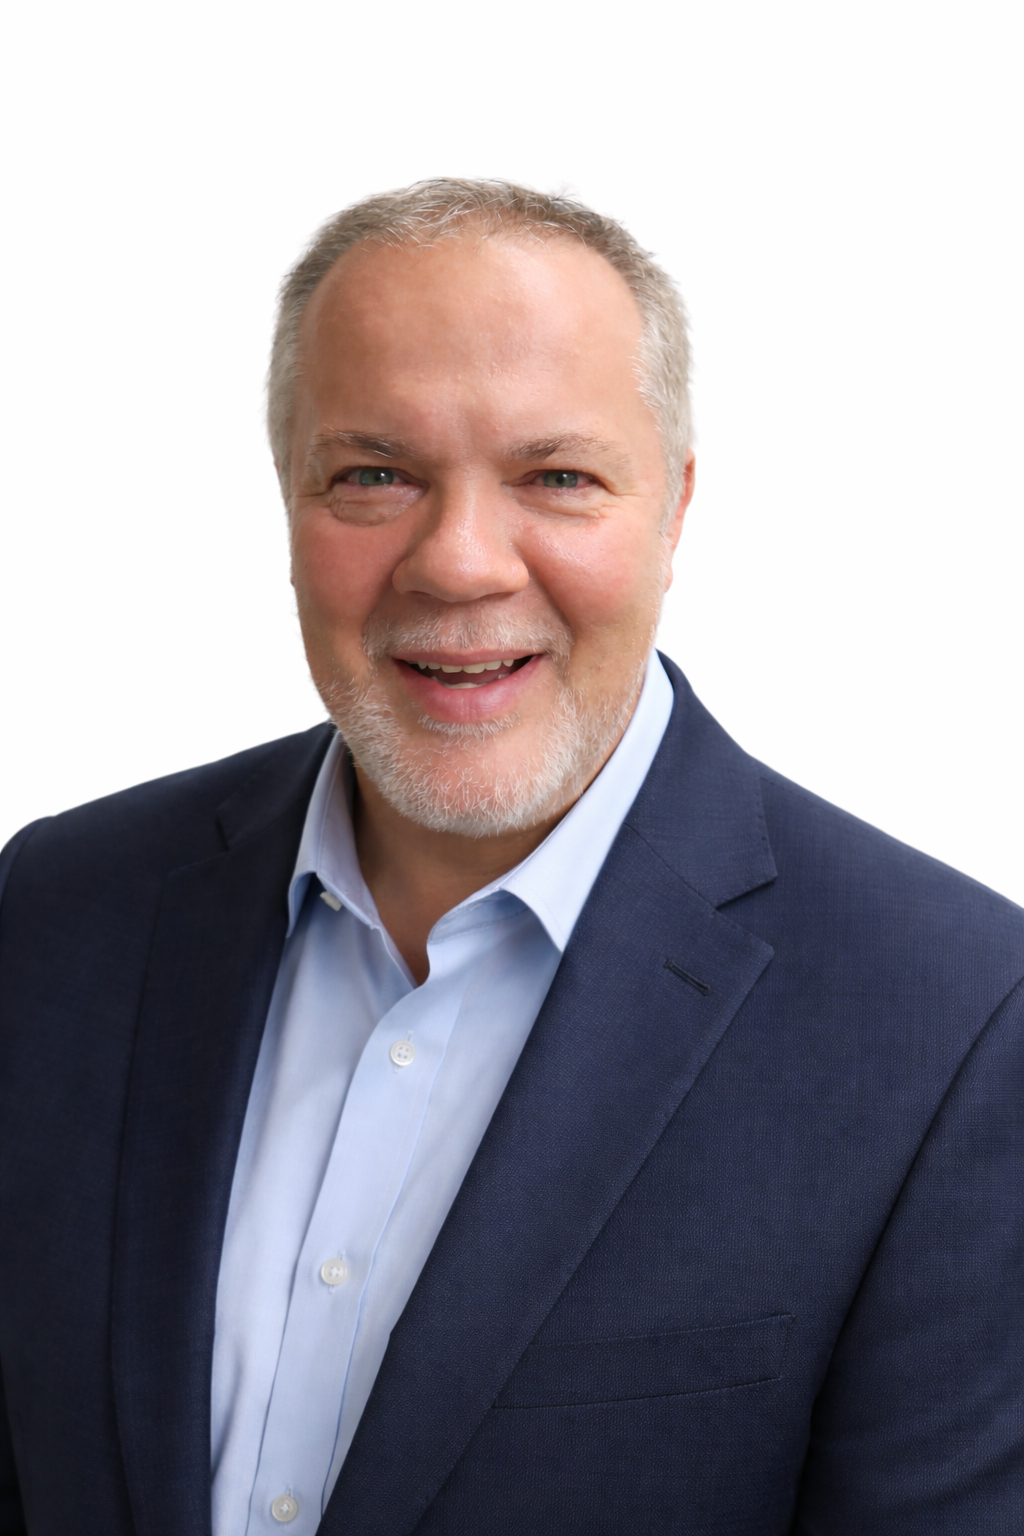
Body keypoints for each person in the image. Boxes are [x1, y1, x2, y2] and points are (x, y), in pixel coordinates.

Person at [0, 179, 1021, 1536]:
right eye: (374, 473)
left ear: (674, 511)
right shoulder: (60, 914)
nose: (462, 562)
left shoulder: (953, 1022)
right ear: (286, 503)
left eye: (557, 478)